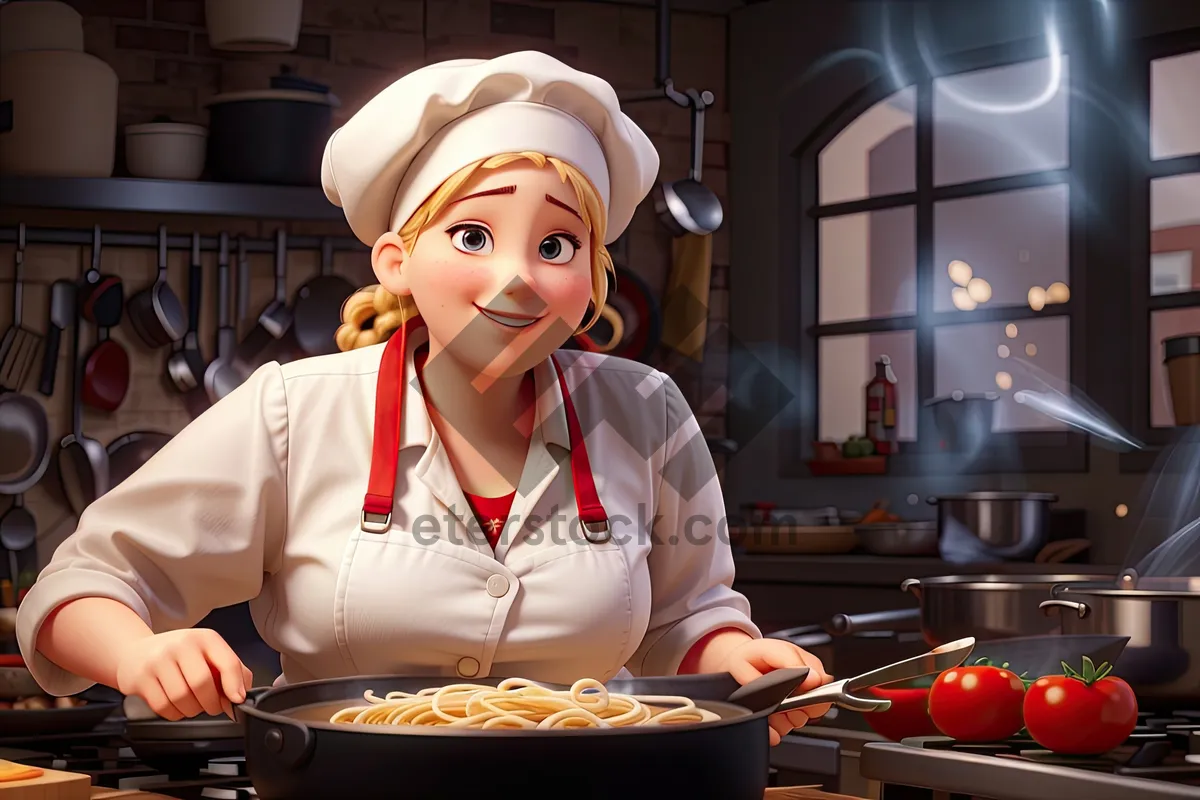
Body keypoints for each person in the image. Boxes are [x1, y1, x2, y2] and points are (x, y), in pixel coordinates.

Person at [17, 51, 830, 745]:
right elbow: (81, 586)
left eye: (556, 246)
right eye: (473, 235)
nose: (517, 276)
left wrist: (735, 657)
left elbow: (686, 618)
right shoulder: (294, 411)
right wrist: (139, 654)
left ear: (591, 285)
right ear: (396, 261)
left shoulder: (645, 409)